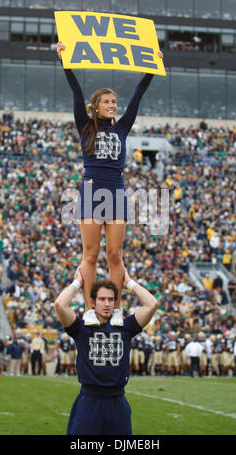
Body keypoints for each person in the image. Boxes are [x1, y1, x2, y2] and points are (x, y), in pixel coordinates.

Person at [57, 41, 163, 327]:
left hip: (116, 191)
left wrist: (151, 67)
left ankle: (114, 308)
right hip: (91, 190)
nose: (112, 105)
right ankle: (92, 309)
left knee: (115, 253)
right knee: (90, 254)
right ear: (96, 106)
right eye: (107, 101)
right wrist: (64, 58)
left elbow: (138, 95)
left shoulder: (122, 128)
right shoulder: (85, 125)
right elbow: (76, 91)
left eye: (114, 102)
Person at [54, 266, 158, 435]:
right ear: (93, 302)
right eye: (102, 299)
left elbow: (152, 304)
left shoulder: (125, 327)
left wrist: (130, 283)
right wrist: (77, 283)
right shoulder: (81, 328)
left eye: (110, 299)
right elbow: (60, 304)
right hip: (89, 401)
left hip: (117, 401)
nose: (107, 304)